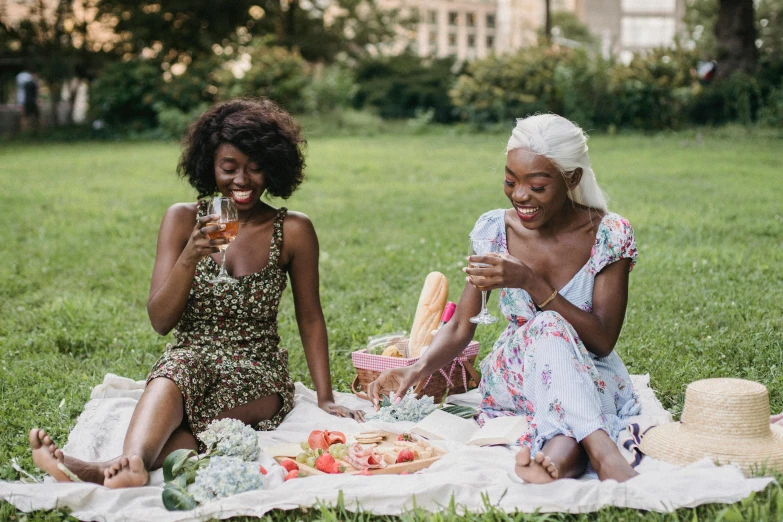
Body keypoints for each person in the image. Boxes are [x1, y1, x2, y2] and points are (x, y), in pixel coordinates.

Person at [29, 98, 364, 488]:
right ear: (209, 166)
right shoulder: (183, 219)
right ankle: (130, 465)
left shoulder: (292, 230)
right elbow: (160, 321)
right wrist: (190, 255)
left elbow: (309, 317)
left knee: (199, 418)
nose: (242, 181)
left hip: (257, 368)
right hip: (191, 357)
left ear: (274, 169)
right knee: (177, 373)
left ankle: (107, 467)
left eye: (256, 168)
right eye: (229, 168)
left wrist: (325, 397)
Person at [368, 114, 641, 483]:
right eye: (510, 182)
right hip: (517, 372)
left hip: (591, 371)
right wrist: (419, 366)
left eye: (538, 186)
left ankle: (556, 464)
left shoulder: (609, 233)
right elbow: (462, 323)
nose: (520, 196)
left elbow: (603, 341)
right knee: (545, 327)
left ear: (571, 179)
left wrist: (532, 282)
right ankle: (604, 450)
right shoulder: (494, 229)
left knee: (558, 365)